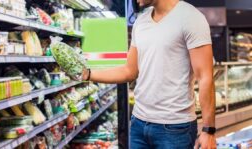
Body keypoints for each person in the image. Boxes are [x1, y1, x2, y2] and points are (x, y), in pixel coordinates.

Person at [81, 0, 216, 148]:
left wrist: (208, 130)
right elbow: (128, 71)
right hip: (139, 124)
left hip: (174, 128)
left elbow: (205, 77)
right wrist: (87, 74)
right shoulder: (141, 22)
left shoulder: (190, 17)